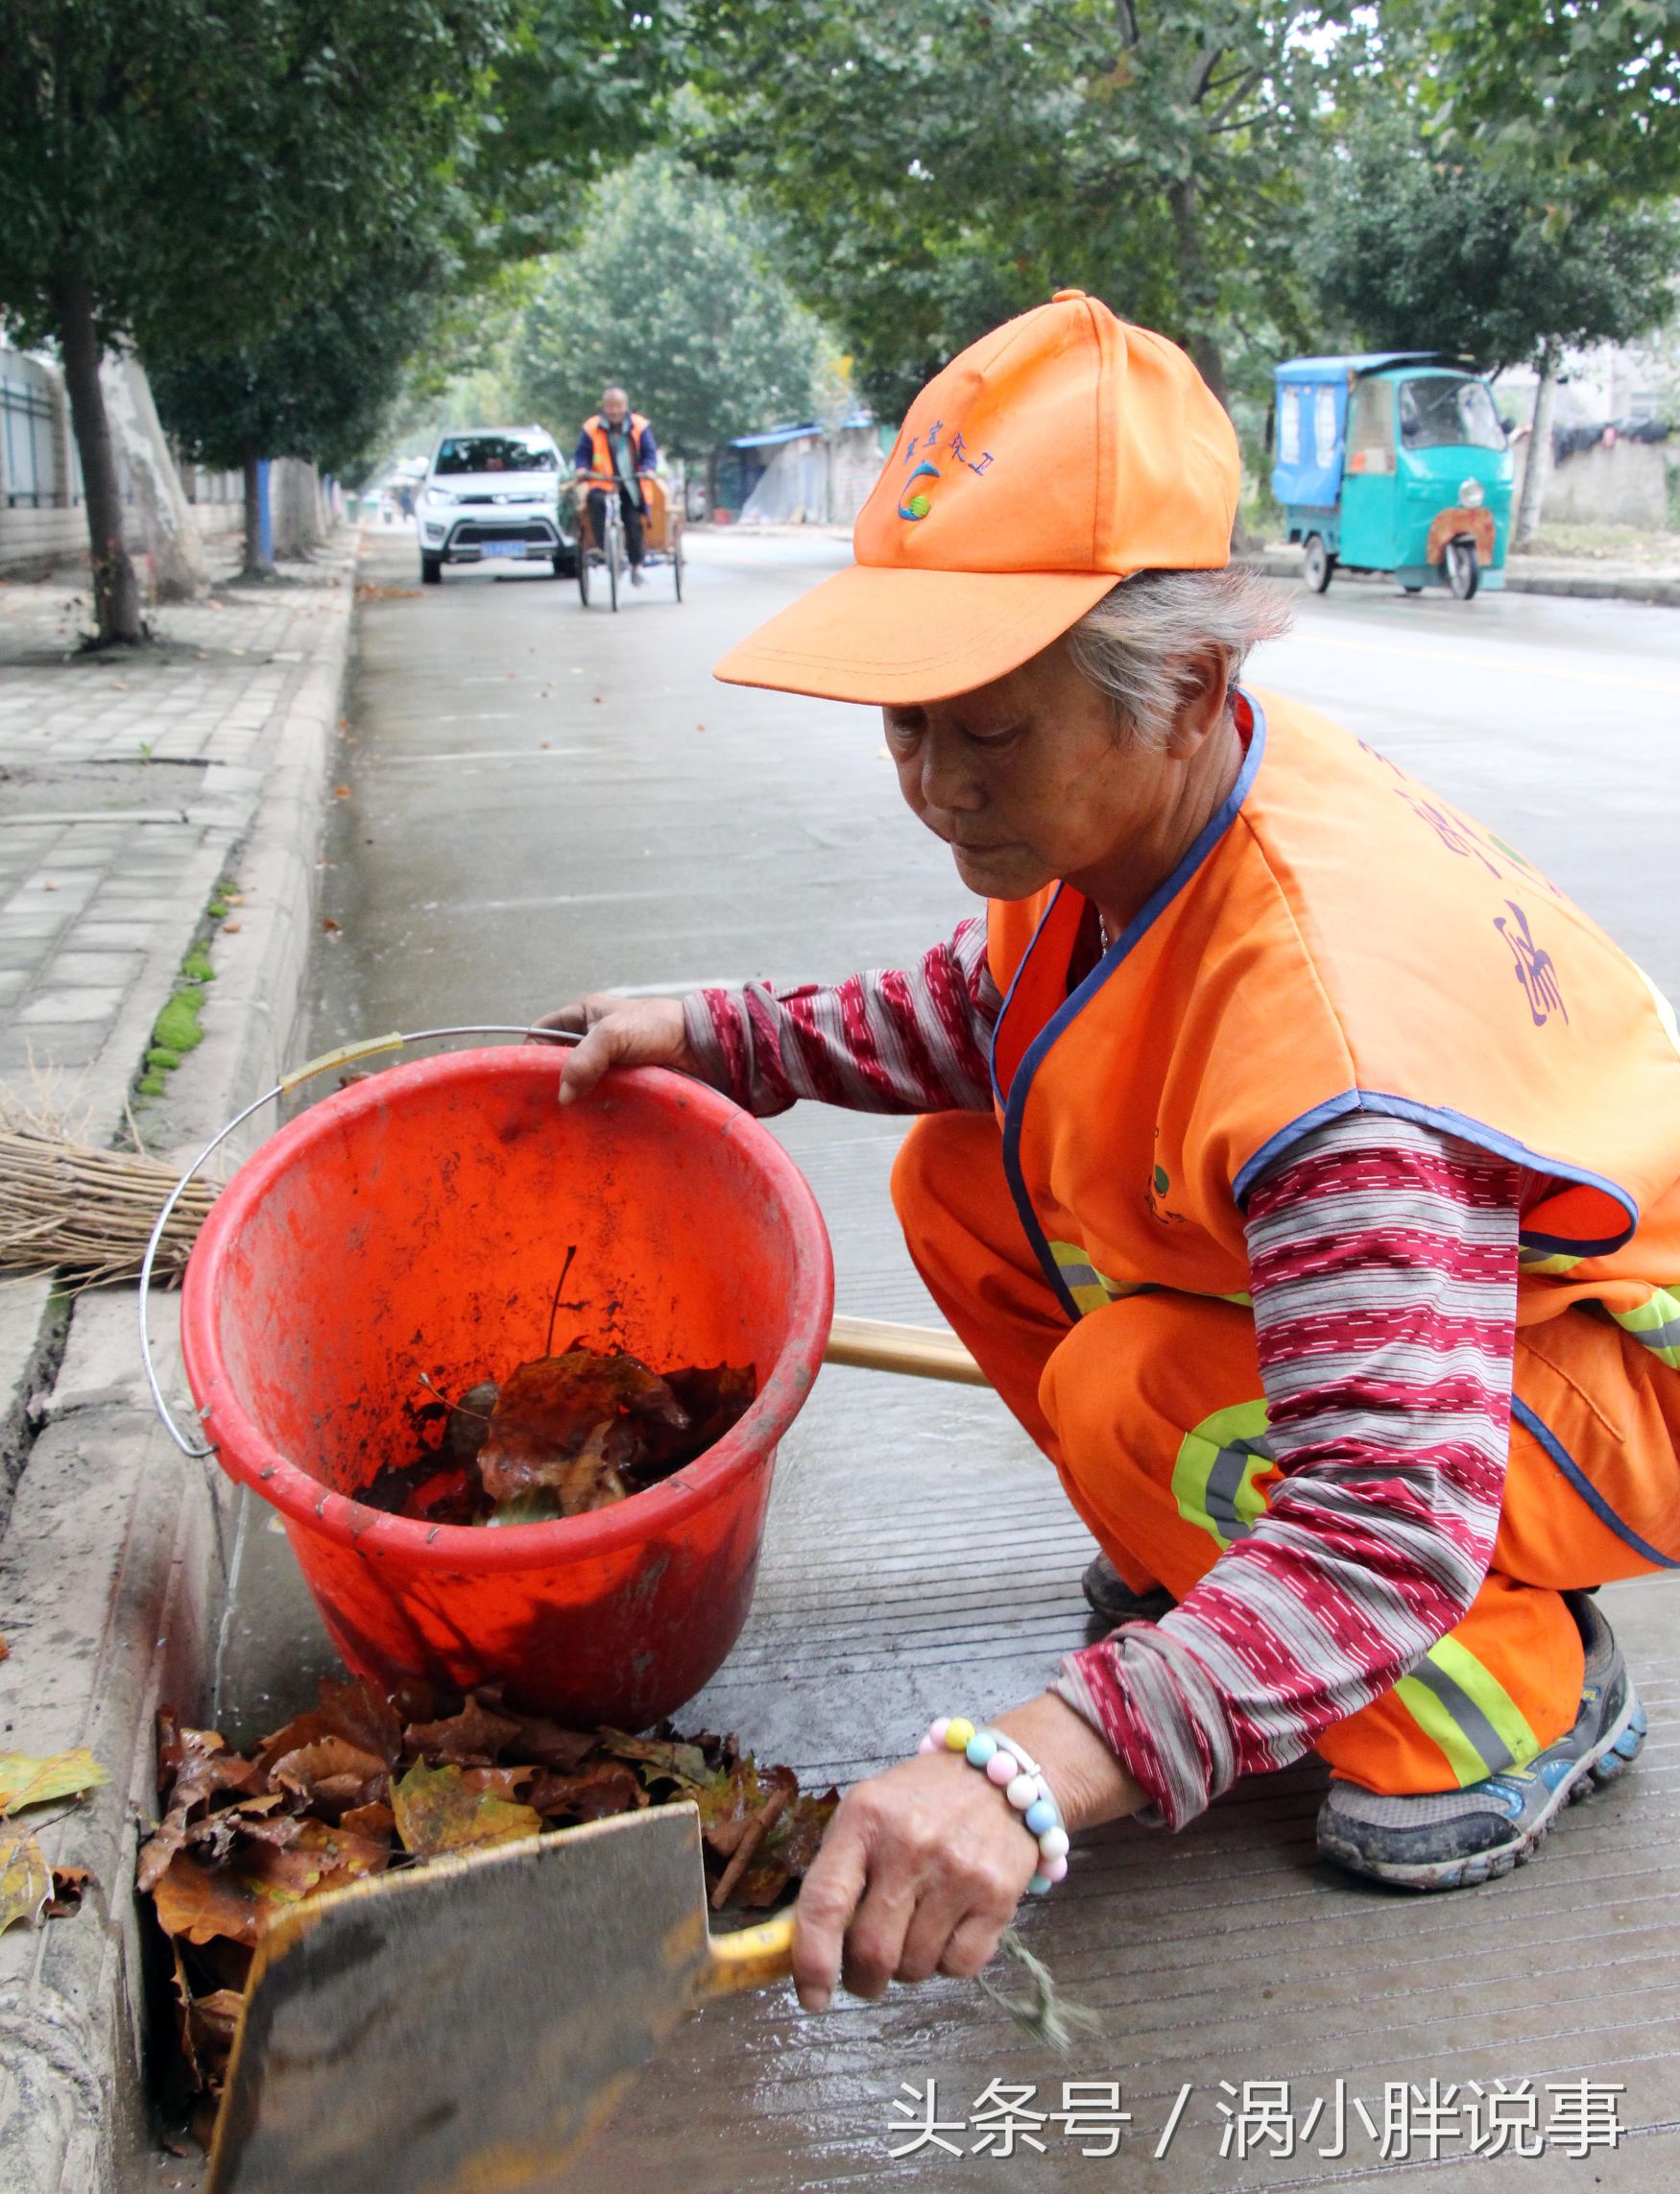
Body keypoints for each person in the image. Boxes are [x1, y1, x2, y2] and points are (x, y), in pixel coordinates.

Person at [537, 292, 1680, 2019]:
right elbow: (993, 1009)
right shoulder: (1142, 818)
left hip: (1597, 1390)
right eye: (904, 723)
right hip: (1453, 1333)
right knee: (955, 1178)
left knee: (1142, 1386)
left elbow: (1388, 1519)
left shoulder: (1336, 1047)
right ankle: (1227, 1582)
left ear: (1191, 685)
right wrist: (719, 1035)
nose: (930, 786)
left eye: (984, 731)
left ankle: (1511, 1686)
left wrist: (1042, 1764)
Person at [574, 387, 658, 587]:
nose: (614, 411)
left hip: (630, 483)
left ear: (625, 406)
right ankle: (605, 549)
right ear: (604, 407)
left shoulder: (639, 425)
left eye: (618, 406)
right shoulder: (591, 427)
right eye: (610, 406)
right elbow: (582, 455)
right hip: (602, 483)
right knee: (595, 503)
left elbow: (649, 453)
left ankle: (636, 567)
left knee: (633, 520)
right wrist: (581, 469)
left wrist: (648, 469)